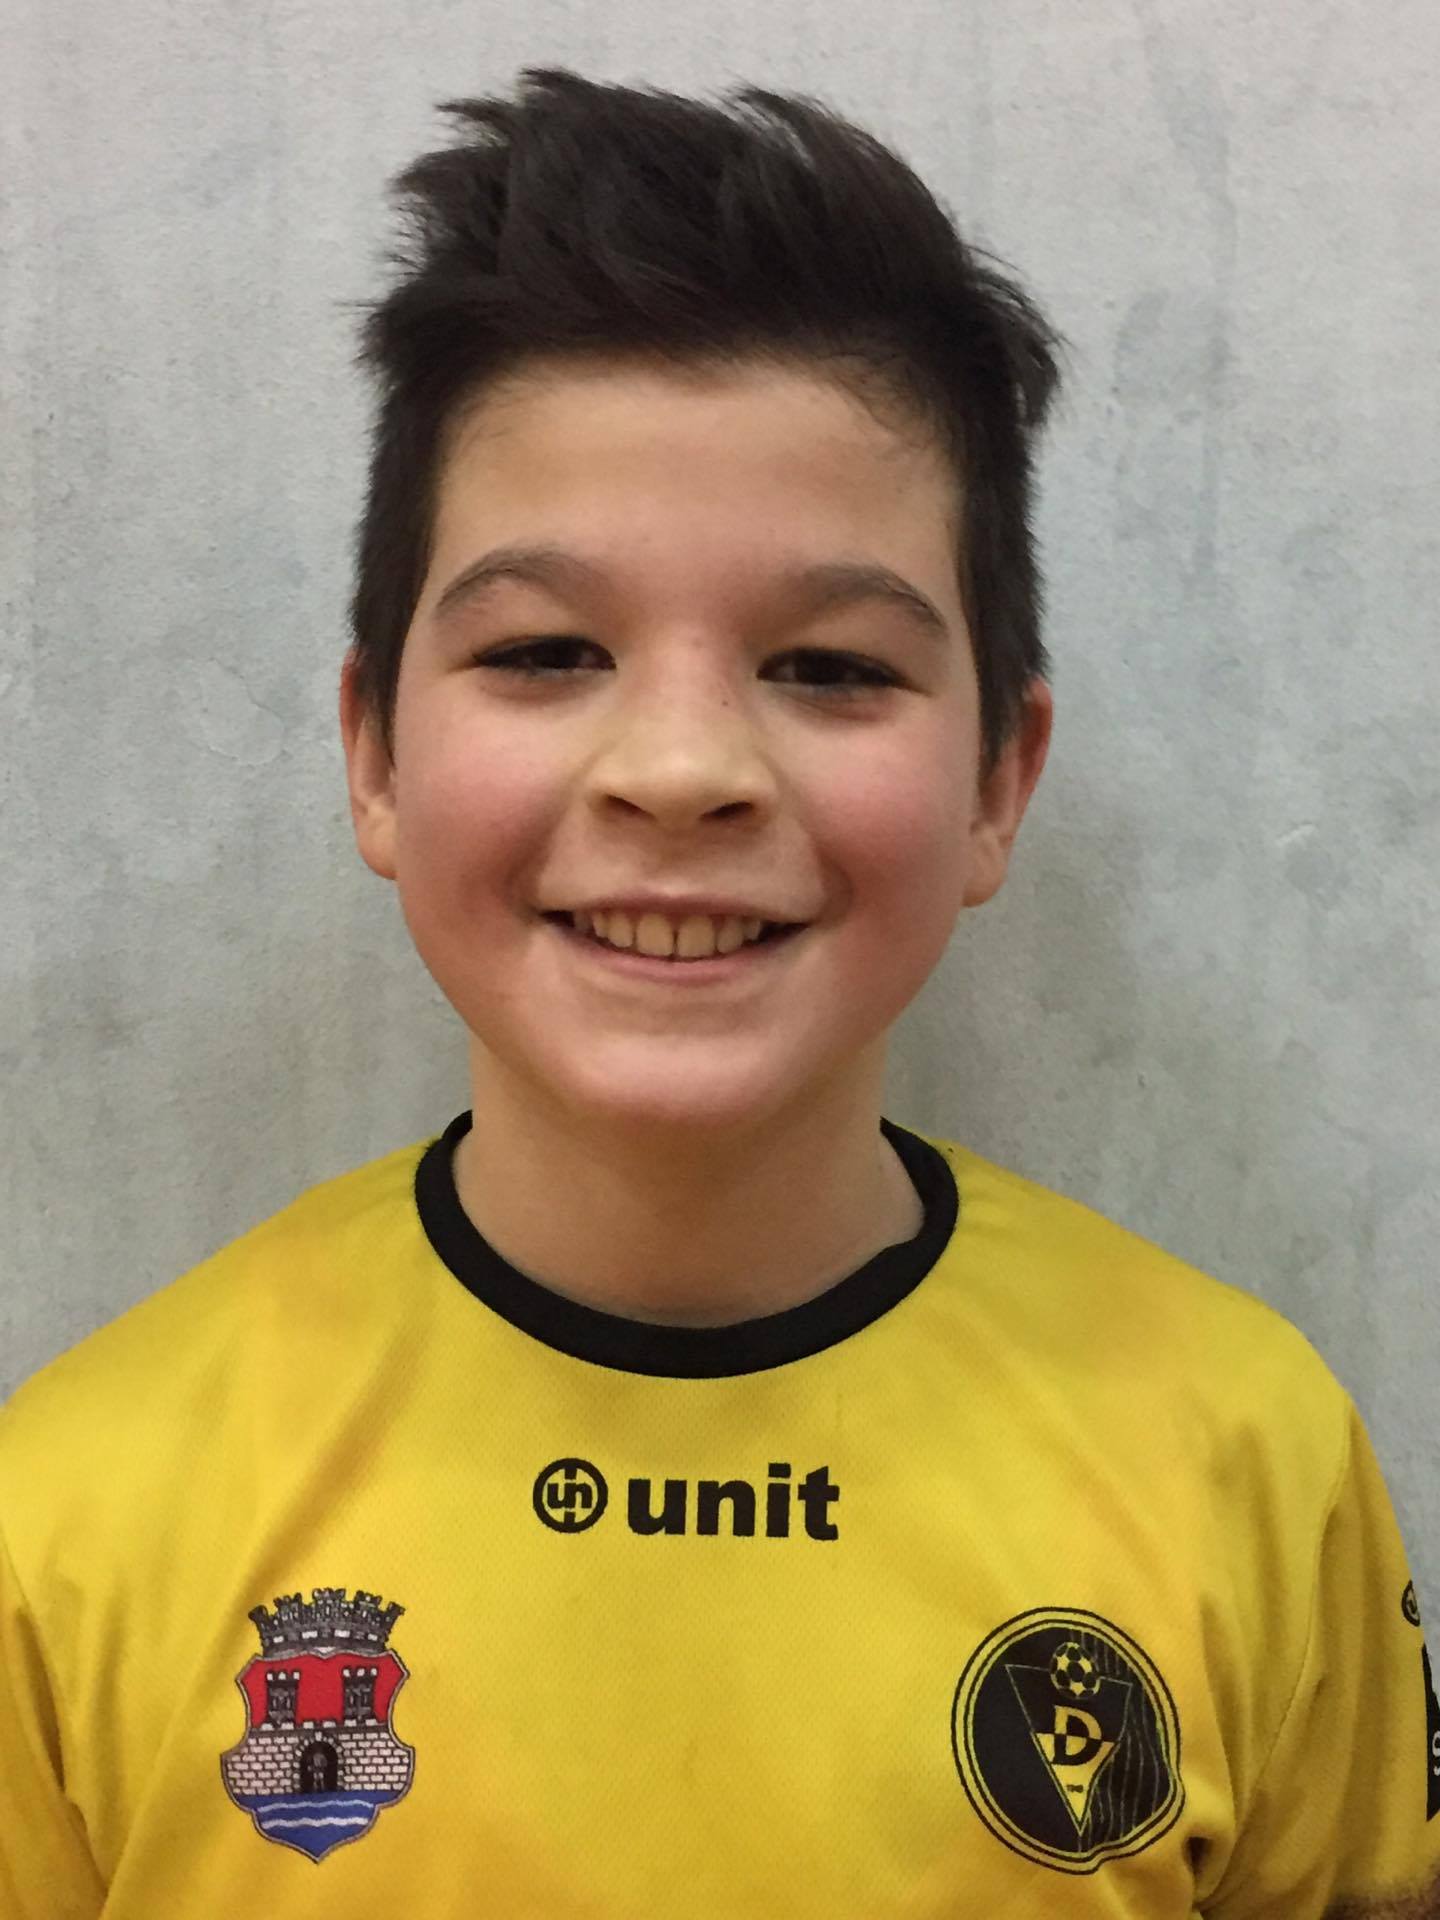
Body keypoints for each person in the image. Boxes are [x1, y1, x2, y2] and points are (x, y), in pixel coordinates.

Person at [1, 65, 1435, 1919]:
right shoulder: (71, 1514)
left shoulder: (1248, 1456)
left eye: (831, 667)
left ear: (999, 783)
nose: (682, 770)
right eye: (545, 649)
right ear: (374, 755)